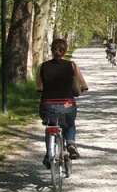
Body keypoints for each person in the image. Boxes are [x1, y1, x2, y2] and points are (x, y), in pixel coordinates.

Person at [36, 39, 88, 168]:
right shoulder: (72, 65)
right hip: (67, 105)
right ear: (65, 50)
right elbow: (82, 82)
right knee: (69, 123)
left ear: (52, 50)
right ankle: (70, 142)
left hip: (47, 106)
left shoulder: (42, 66)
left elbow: (39, 86)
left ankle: (49, 154)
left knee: (50, 126)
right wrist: (84, 87)